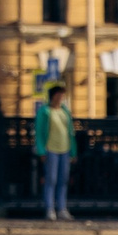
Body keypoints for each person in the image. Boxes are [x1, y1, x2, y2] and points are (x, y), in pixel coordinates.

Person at [36, 84, 77, 221]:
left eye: (62, 95)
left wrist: (73, 152)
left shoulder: (65, 111)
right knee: (51, 179)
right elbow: (39, 132)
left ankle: (62, 208)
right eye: (59, 95)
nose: (61, 98)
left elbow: (70, 132)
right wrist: (41, 150)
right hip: (51, 149)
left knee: (63, 180)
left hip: (64, 149)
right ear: (53, 96)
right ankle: (50, 208)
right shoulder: (45, 111)